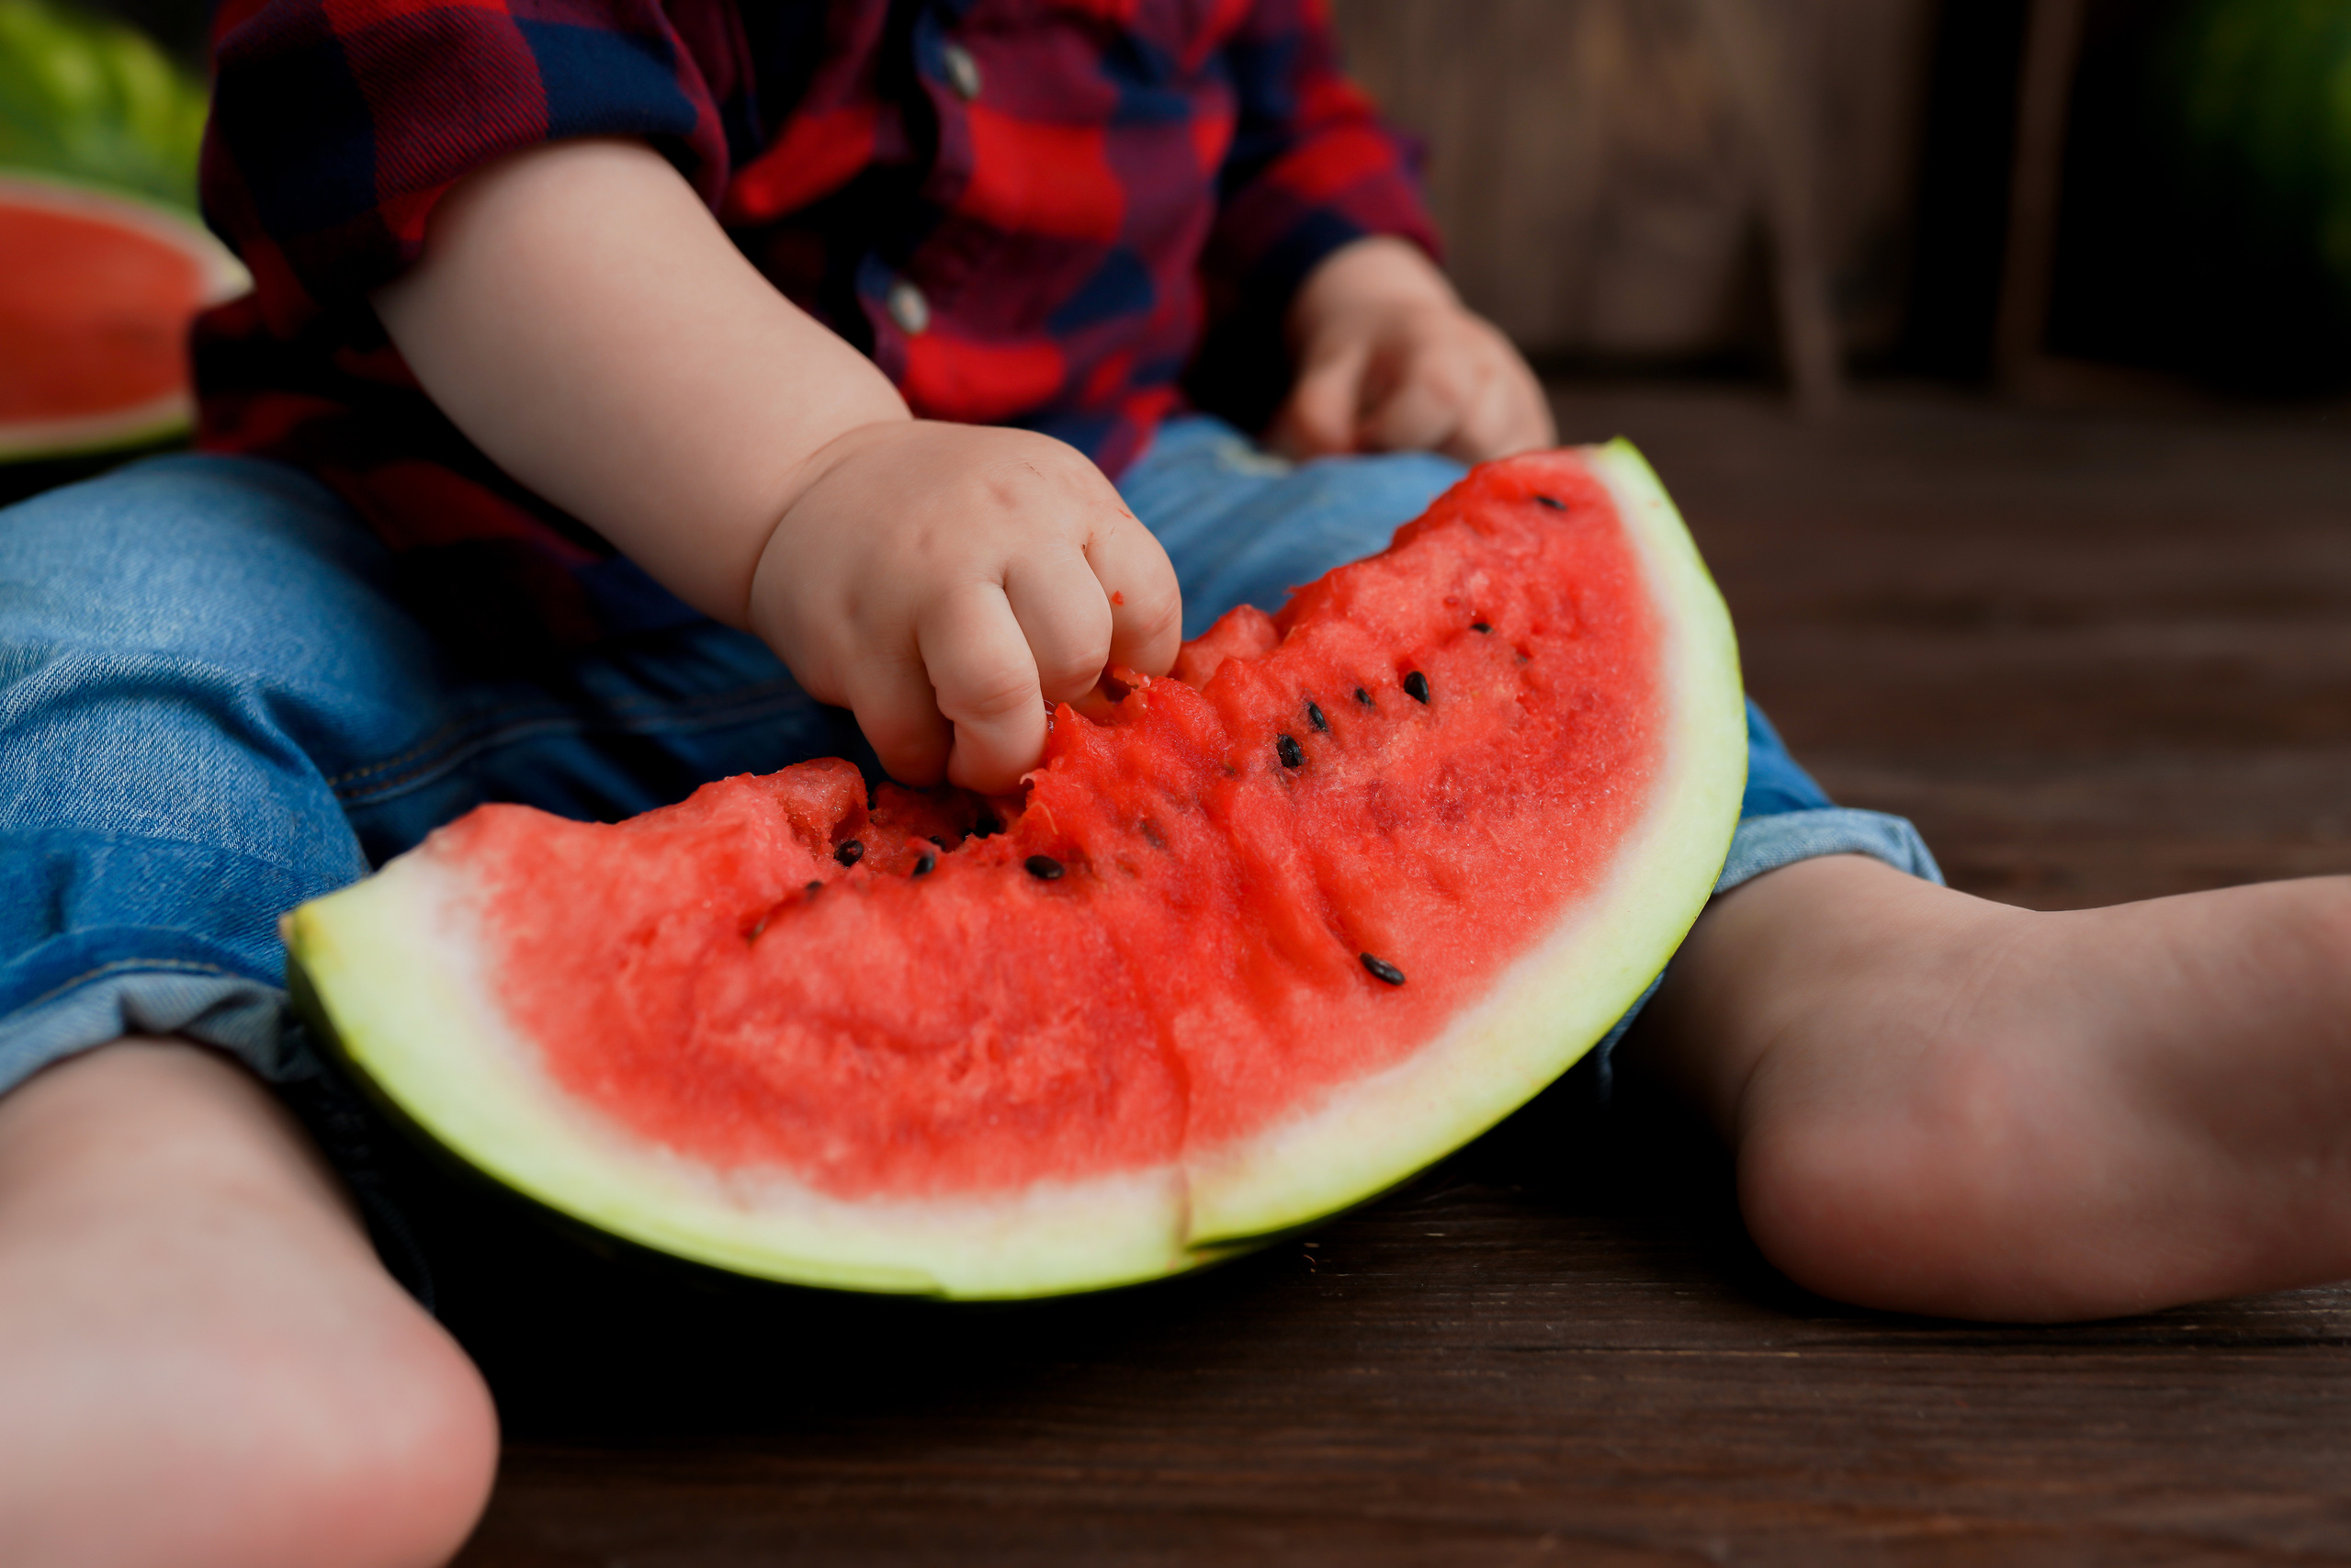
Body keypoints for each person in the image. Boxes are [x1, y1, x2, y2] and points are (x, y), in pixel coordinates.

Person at [5, 3, 2351, 1564]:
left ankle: (1860, 1000)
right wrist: (822, 465)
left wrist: (1376, 299)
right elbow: (486, 154)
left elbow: (1279, 140)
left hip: (1095, 600)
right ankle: (152, 1197)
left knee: (1395, 557)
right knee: (96, 606)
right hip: (438, 587)